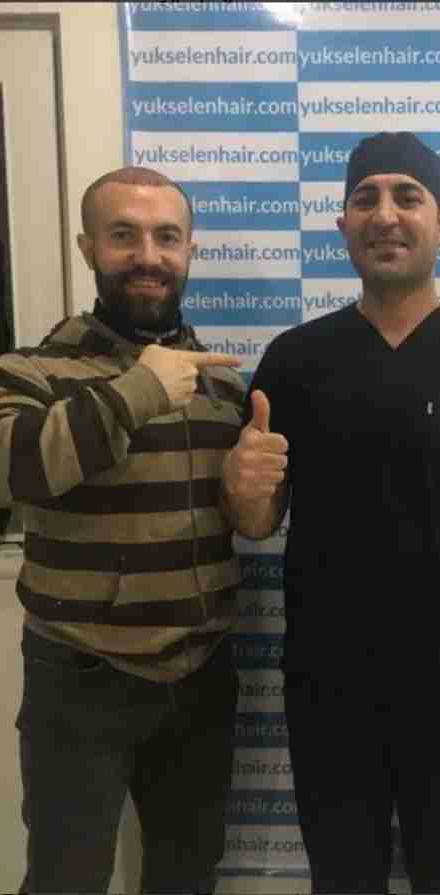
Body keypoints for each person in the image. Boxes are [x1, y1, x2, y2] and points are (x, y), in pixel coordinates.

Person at [0, 166, 245, 895]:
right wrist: (136, 394)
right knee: (66, 879)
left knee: (187, 876)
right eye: (124, 235)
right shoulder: (28, 370)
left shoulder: (220, 383)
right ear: (88, 247)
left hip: (201, 674)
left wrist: (259, 497)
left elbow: (238, 515)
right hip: (81, 677)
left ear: (189, 251)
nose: (147, 255)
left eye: (166, 237)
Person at [220, 131, 440, 894]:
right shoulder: (296, 359)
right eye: (365, 198)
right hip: (331, 683)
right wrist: (241, 485)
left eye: (407, 195)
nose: (385, 214)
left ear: (437, 218)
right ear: (341, 224)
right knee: (344, 877)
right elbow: (256, 521)